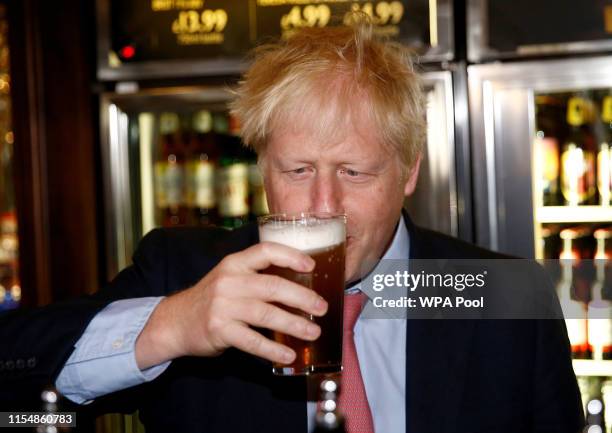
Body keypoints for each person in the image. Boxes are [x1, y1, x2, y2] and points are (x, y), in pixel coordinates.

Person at [0, 17, 583, 433]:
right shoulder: (188, 273)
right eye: (298, 169)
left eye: (354, 172)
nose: (323, 204)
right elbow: (17, 395)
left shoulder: (503, 295)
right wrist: (172, 325)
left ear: (409, 172)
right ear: (262, 169)